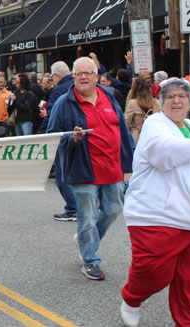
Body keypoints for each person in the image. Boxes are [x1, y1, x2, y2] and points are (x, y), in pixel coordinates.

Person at [120, 78, 190, 327]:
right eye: (169, 96)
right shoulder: (155, 124)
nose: (176, 100)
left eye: (182, 95)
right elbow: (163, 153)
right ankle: (132, 298)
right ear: (161, 101)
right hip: (159, 216)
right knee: (154, 275)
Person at [47, 57, 134, 280]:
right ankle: (90, 259)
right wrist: (72, 139)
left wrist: (130, 164)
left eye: (88, 73)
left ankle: (85, 240)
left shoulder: (110, 96)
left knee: (114, 210)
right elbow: (52, 138)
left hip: (112, 168)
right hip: (82, 170)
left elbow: (122, 131)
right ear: (73, 78)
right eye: (79, 74)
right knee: (87, 217)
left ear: (97, 76)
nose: (84, 77)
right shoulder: (64, 103)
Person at [39, 61, 78, 221]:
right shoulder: (76, 86)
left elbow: (53, 118)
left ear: (56, 76)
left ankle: (73, 208)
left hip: (63, 137)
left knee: (62, 178)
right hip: (79, 135)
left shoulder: (58, 91)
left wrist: (42, 134)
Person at [125, 77, 161, 143]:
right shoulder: (156, 102)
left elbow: (126, 123)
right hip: (154, 136)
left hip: (138, 137)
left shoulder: (132, 103)